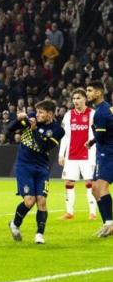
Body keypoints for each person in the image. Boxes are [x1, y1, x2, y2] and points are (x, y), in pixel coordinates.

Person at [8, 100, 64, 245]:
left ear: (50, 114)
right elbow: (10, 129)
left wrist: (33, 130)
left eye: (41, 112)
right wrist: (19, 119)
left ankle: (39, 234)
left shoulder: (58, 130)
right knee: (29, 201)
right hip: (24, 166)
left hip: (41, 168)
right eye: (37, 112)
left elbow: (44, 146)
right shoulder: (31, 118)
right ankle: (15, 224)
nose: (37, 115)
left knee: (42, 201)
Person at [58, 88, 97, 220]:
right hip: (71, 155)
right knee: (69, 182)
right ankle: (69, 212)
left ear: (85, 99)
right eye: (74, 98)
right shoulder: (68, 115)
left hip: (88, 155)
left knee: (90, 182)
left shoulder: (92, 114)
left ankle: (92, 212)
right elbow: (64, 136)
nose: (75, 101)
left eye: (78, 98)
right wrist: (61, 154)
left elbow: (98, 135)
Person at [85, 81, 113, 237]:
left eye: (90, 90)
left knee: (102, 188)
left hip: (108, 154)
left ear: (98, 93)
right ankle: (106, 224)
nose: (87, 93)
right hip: (103, 153)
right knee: (95, 189)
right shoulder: (106, 108)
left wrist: (93, 133)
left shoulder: (101, 112)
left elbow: (101, 135)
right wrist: (93, 141)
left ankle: (110, 224)